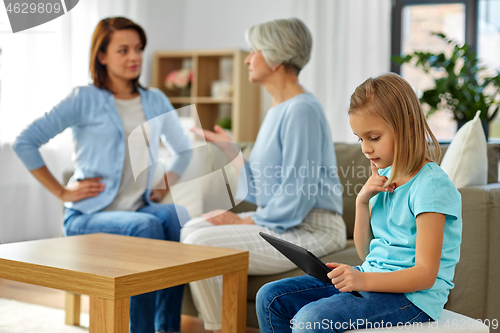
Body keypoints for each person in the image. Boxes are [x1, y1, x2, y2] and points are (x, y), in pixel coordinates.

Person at [13, 17, 192, 333]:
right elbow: (25, 142)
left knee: (175, 215)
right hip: (88, 217)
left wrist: (164, 186)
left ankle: (168, 328)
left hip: (137, 208)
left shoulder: (155, 100)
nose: (134, 57)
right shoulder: (84, 98)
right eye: (123, 50)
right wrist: (63, 193)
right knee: (148, 225)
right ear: (102, 55)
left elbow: (185, 150)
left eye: (138, 49)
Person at [255, 73, 463, 332]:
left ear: (408, 126)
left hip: (413, 299)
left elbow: (425, 275)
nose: (366, 148)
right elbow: (366, 254)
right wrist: (362, 201)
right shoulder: (385, 178)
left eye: (374, 137)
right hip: (374, 279)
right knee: (270, 298)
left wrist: (363, 280)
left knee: (312, 319)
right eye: (360, 138)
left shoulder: (431, 186)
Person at [181, 18, 346, 332]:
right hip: (284, 222)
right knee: (192, 228)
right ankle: (223, 327)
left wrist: (243, 221)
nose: (247, 59)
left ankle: (222, 328)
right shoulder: (276, 110)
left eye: (254, 50)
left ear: (276, 56)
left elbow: (298, 195)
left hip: (311, 228)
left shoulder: (302, 110)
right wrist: (233, 153)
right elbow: (261, 192)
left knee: (200, 241)